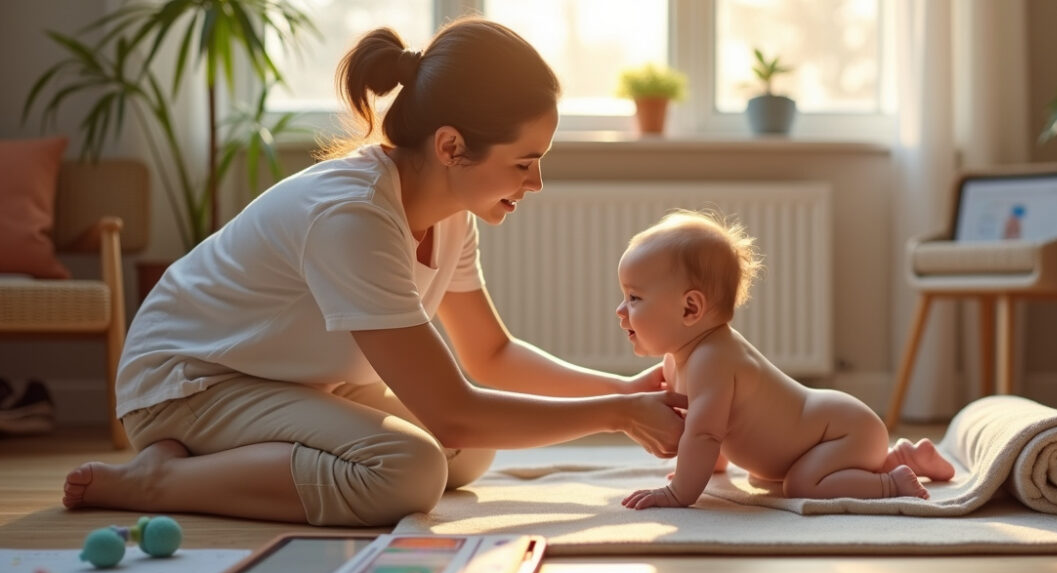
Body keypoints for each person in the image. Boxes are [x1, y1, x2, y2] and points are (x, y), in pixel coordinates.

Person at [62, 18, 686, 527]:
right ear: (450, 147)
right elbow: (452, 410)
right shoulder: (353, 217)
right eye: (525, 162)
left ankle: (214, 458)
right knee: (410, 469)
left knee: (470, 454)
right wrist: (616, 416)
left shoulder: (452, 215)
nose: (537, 182)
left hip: (287, 380)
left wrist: (627, 392)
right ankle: (162, 479)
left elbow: (491, 354)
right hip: (189, 383)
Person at [617, 211, 955, 510]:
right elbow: (706, 425)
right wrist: (711, 466)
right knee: (770, 480)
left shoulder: (711, 360)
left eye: (634, 298)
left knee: (802, 485)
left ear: (690, 308)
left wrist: (679, 492)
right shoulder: (678, 360)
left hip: (840, 432)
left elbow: (704, 435)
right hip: (829, 435)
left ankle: (891, 482)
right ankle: (907, 457)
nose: (621, 311)